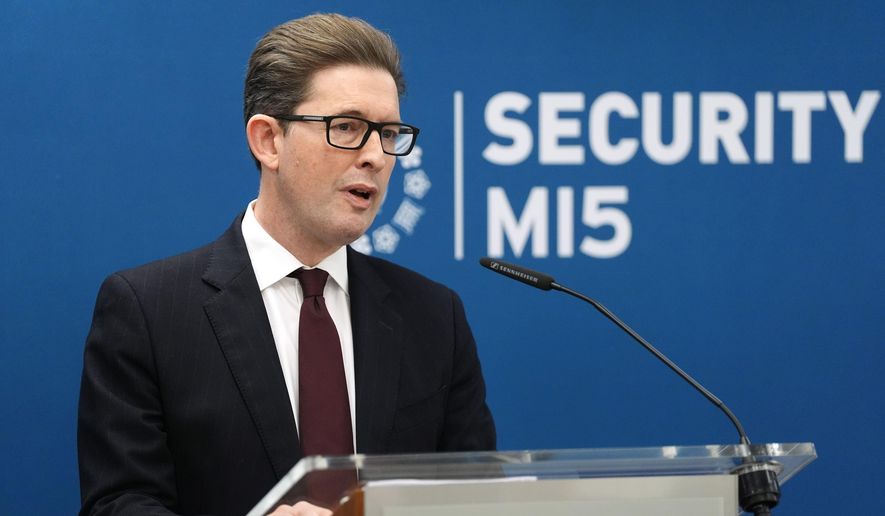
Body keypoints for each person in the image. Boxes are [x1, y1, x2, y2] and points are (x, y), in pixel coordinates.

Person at [78, 13, 495, 516]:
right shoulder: (149, 311)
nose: (377, 157)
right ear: (269, 141)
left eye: (388, 133)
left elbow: (476, 497)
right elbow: (119, 503)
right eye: (348, 127)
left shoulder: (434, 316)